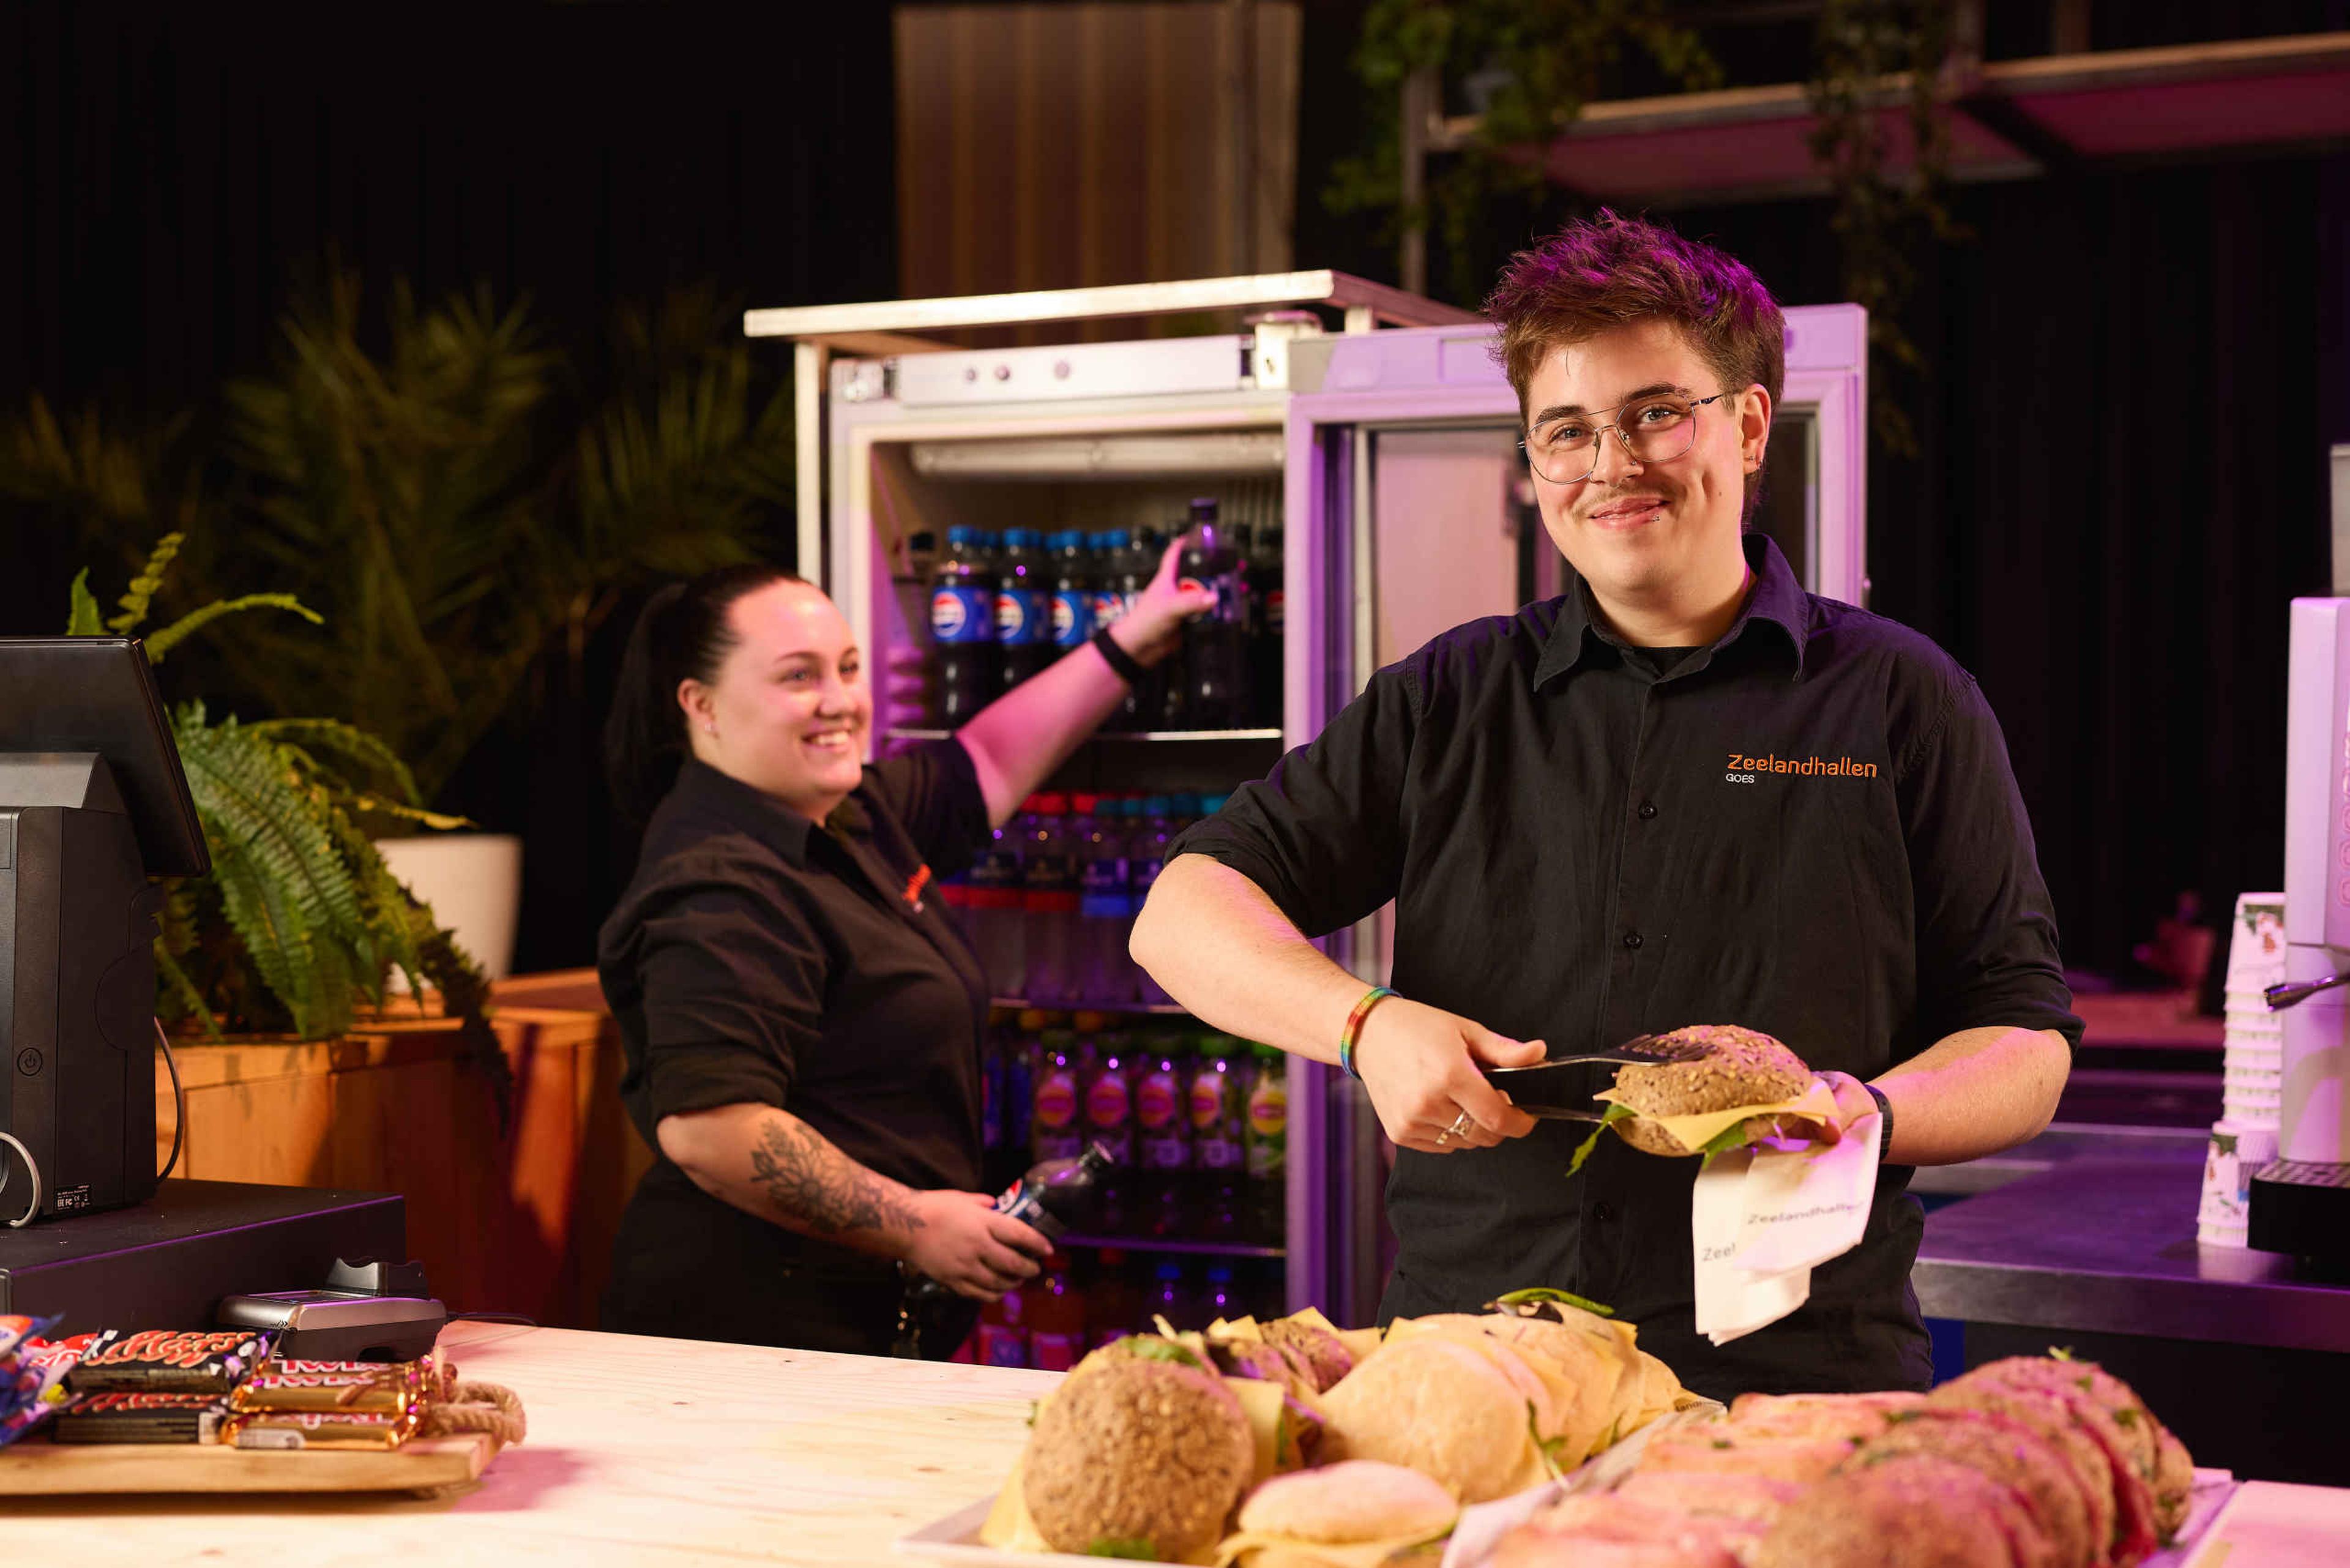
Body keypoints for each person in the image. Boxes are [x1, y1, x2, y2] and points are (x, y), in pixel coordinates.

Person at [1132, 212, 2080, 1399]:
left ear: (1748, 426)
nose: (1611, 464)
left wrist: (1864, 1112)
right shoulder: (1449, 697)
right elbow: (1181, 912)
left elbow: (2024, 1041)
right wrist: (1366, 1025)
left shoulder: (1902, 699)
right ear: (1533, 464)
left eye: (1656, 413)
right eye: (1568, 430)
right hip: (1475, 1373)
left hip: (1793, 1381)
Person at [598, 551, 1209, 1356]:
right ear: (701, 705)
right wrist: (915, 1224)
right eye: (798, 676)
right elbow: (710, 1128)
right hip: (746, 1336)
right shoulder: (718, 882)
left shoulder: (848, 813)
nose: (840, 701)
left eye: (849, 668)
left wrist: (1136, 635)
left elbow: (989, 757)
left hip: (841, 1326)